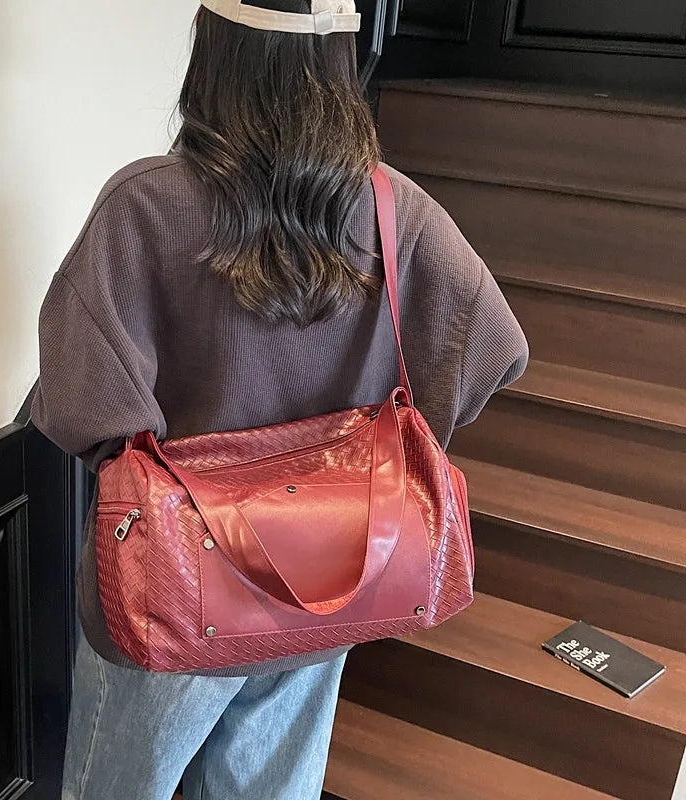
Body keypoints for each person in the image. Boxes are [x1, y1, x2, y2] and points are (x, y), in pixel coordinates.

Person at [30, 1, 529, 798]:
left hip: (173, 592)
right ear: (337, 59)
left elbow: (77, 405)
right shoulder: (396, 211)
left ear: (215, 49)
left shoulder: (147, 205)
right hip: (331, 582)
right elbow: (496, 349)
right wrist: (375, 444)